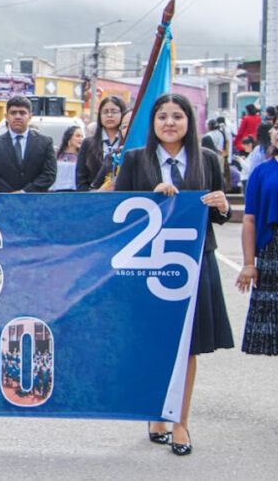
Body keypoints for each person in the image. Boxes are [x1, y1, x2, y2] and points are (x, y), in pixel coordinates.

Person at [114, 93, 233, 457]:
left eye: (177, 116)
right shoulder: (135, 160)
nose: (169, 122)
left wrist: (223, 206)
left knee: (189, 346)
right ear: (152, 123)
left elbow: (217, 213)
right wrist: (151, 200)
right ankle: (156, 414)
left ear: (189, 122)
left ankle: (180, 421)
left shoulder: (208, 159)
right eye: (162, 116)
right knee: (152, 343)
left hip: (195, 265)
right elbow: (118, 213)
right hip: (148, 265)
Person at [237, 124, 278, 356]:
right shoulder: (261, 172)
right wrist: (249, 263)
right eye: (277, 127)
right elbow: (250, 219)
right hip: (272, 251)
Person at [0, 96, 56, 193]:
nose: (18, 117)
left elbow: (50, 174)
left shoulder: (45, 143)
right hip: (4, 202)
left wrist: (25, 192)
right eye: (13, 113)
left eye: (22, 113)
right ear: (6, 116)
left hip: (36, 201)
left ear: (30, 116)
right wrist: (11, 195)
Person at [50, 125, 83, 192]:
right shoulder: (56, 154)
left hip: (76, 191)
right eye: (78, 136)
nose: (80, 139)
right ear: (69, 137)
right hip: (56, 191)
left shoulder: (83, 157)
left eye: (82, 137)